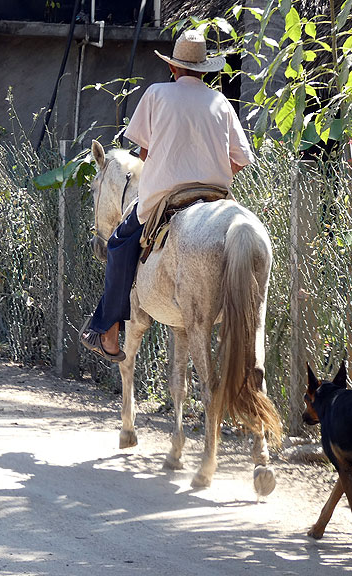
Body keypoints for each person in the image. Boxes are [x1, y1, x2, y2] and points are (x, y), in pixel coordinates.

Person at [81, 29, 254, 362]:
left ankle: (109, 334)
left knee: (119, 243)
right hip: (216, 197)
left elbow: (143, 155)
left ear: (173, 68)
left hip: (165, 197)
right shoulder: (220, 102)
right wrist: (214, 173)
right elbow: (240, 160)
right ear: (203, 71)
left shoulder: (157, 93)